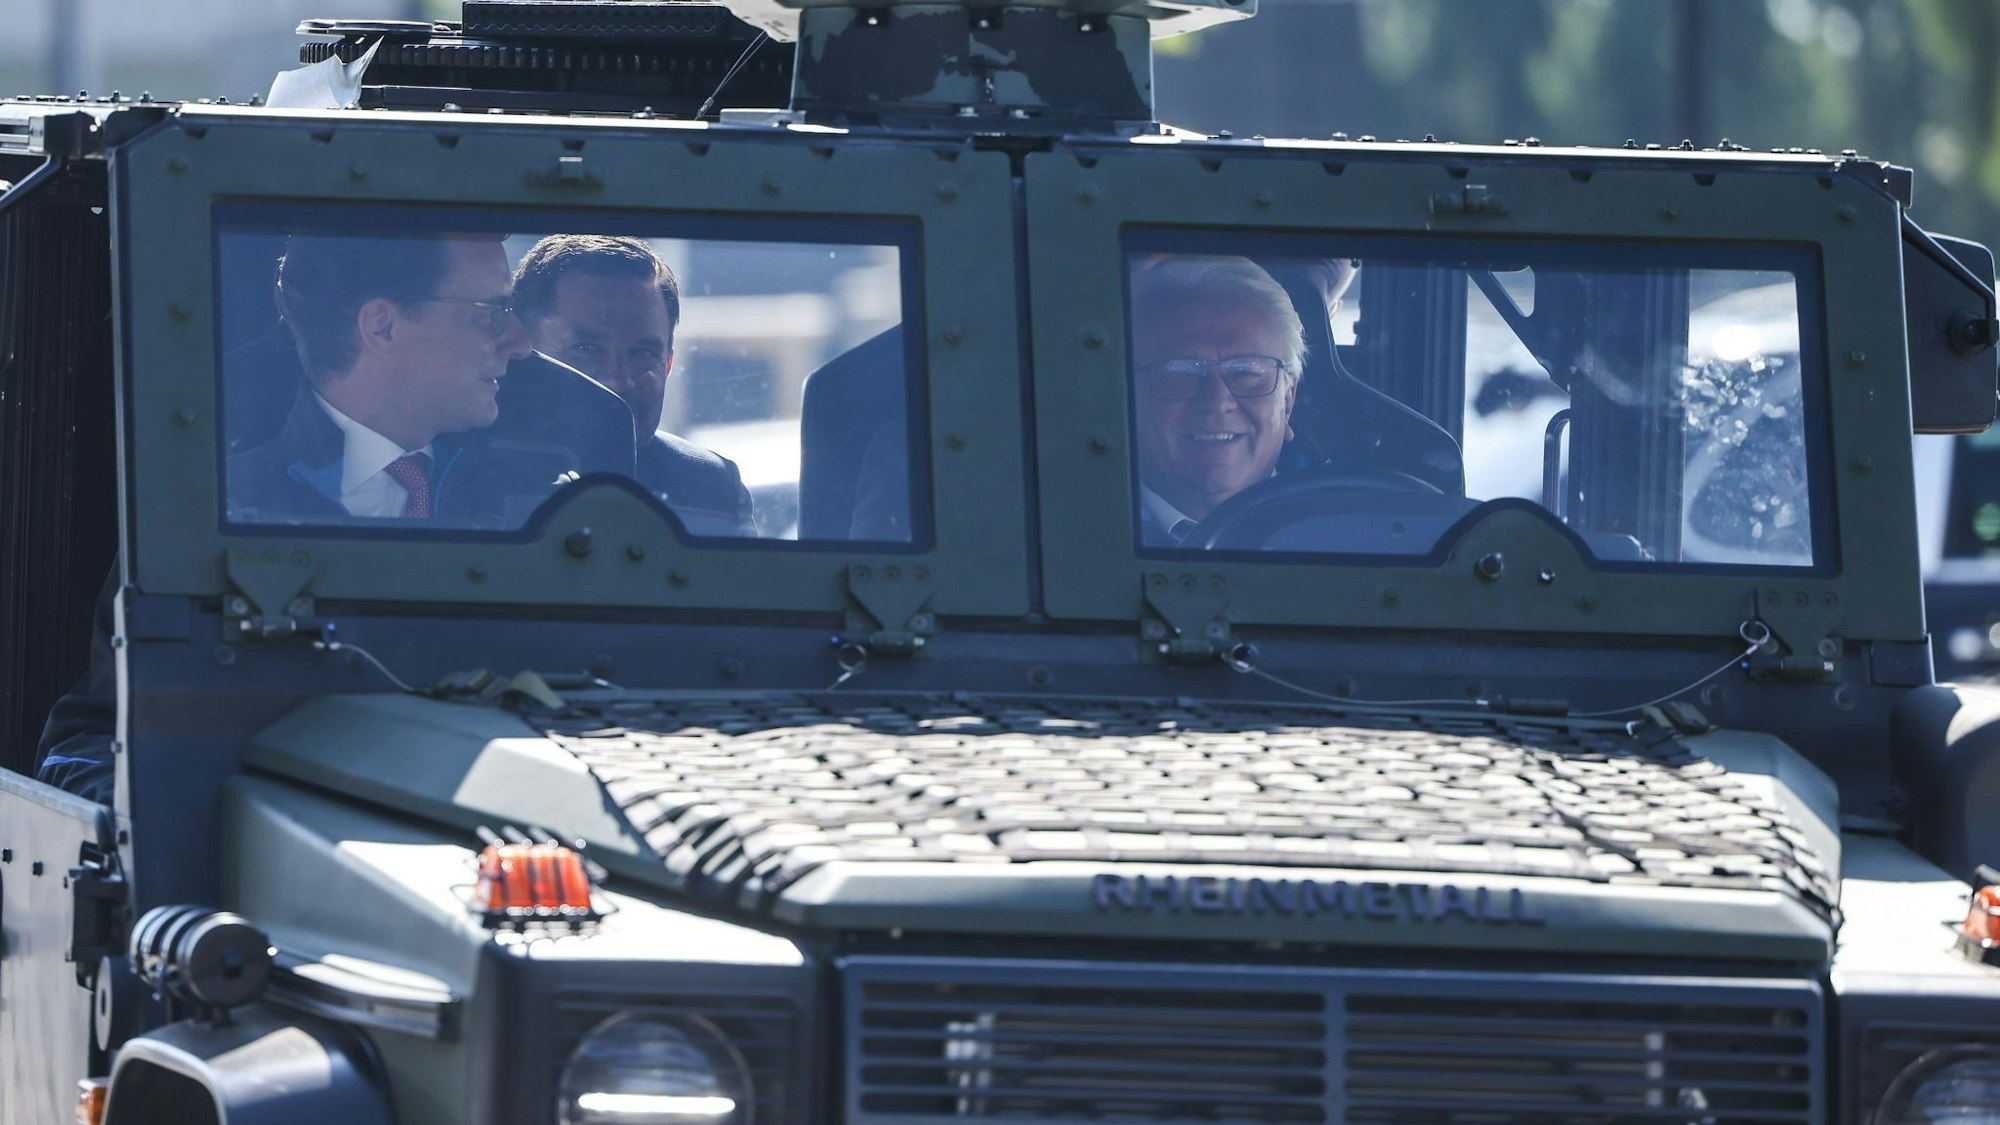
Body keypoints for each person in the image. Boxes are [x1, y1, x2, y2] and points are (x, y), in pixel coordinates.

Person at [227, 231, 533, 520]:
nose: (521, 344)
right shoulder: (228, 502)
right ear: (383, 328)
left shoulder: (540, 486)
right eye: (492, 313)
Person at [511, 234, 756, 535]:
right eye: (586, 349)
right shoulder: (455, 470)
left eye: (642, 354)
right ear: (521, 352)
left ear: (668, 363)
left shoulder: (710, 487)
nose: (618, 379)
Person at [1129, 255, 1308, 546]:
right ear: (1127, 394)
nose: (1217, 401)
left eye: (1247, 372)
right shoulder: (1066, 532)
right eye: (1179, 373)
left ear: (1288, 400)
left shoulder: (1353, 532)